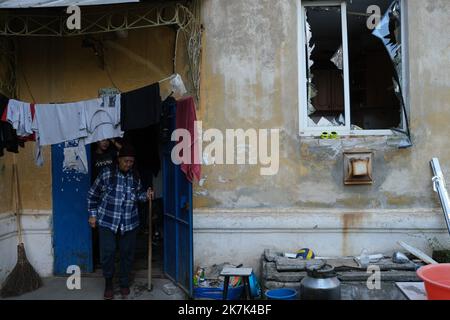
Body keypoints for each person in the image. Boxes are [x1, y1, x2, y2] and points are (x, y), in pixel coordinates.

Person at [87, 144, 154, 300]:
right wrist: (92, 215)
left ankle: (124, 283)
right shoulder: (106, 174)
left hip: (129, 222)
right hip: (107, 221)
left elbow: (138, 196)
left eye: (131, 162)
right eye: (125, 161)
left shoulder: (135, 176)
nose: (128, 164)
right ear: (118, 160)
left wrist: (147, 195)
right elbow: (92, 196)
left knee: (127, 254)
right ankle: (109, 282)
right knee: (108, 253)